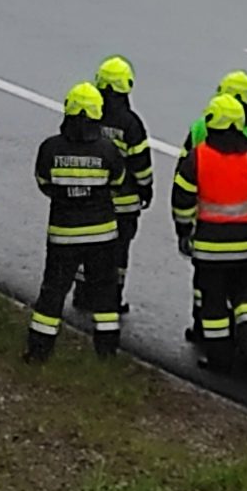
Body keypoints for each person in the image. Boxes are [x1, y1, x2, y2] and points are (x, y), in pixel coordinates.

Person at [172, 92, 247, 372]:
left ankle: (219, 358)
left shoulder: (197, 158)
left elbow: (182, 199)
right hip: (245, 246)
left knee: (213, 303)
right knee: (245, 297)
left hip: (209, 248)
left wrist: (183, 231)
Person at [27, 81, 123, 362]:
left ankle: (39, 351)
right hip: (103, 236)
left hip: (63, 234)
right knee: (105, 295)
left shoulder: (50, 148)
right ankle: (106, 353)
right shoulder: (108, 150)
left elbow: (44, 183)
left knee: (53, 293)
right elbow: (116, 183)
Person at [94, 56, 153, 310]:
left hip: (94, 201)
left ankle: (85, 295)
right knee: (118, 253)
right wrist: (146, 188)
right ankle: (113, 298)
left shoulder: (89, 116)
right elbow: (141, 163)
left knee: (92, 248)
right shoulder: (131, 123)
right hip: (125, 205)